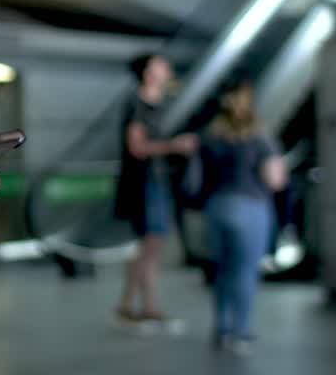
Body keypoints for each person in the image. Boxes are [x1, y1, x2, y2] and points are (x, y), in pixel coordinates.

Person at [198, 81, 286, 356]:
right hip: (250, 207)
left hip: (216, 207)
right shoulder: (260, 138)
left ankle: (222, 328)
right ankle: (241, 331)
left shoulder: (210, 136)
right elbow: (275, 180)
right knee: (245, 271)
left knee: (223, 270)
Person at [112, 53, 197, 332]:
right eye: (161, 64)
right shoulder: (138, 104)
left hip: (156, 182)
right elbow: (137, 147)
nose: (168, 68)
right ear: (148, 73)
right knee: (151, 246)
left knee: (150, 246)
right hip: (146, 183)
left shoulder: (157, 103)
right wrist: (174, 146)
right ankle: (146, 308)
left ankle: (130, 306)